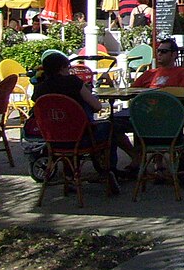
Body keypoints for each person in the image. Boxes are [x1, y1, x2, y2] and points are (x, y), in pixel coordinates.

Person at [32, 51, 137, 183]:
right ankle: (110, 171)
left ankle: (70, 176)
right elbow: (97, 107)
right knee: (111, 127)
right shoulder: (73, 82)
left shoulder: (39, 89)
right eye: (68, 68)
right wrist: (84, 91)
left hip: (53, 140)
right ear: (62, 68)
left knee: (67, 128)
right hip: (81, 138)